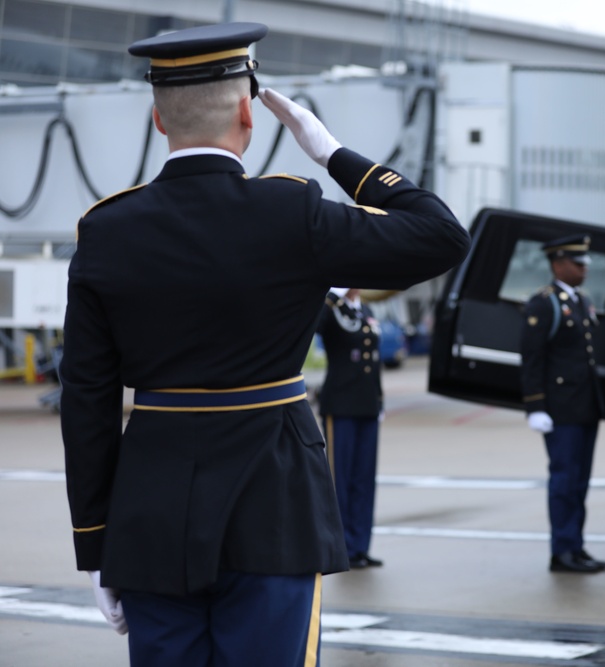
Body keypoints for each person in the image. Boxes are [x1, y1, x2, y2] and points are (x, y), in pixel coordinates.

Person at [59, 22, 469, 665]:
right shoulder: (291, 212)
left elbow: (84, 400)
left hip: (150, 514)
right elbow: (442, 235)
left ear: (158, 120)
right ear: (249, 112)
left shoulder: (105, 229)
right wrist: (333, 153)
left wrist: (94, 544)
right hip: (274, 502)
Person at [520, 234, 605, 574]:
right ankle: (562, 550)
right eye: (577, 263)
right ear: (558, 264)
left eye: (585, 263)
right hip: (560, 408)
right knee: (564, 480)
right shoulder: (544, 303)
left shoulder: (583, 300)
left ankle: (576, 545)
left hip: (585, 406)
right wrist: (536, 406)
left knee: (581, 482)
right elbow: (532, 358)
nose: (584, 269)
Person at [316, 287, 384, 570]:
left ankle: (360, 546)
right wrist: (331, 295)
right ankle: (340, 547)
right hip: (341, 405)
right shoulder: (331, 310)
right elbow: (314, 325)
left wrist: (379, 400)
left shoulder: (365, 310)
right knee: (339, 478)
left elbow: (374, 361)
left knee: (363, 479)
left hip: (367, 404)